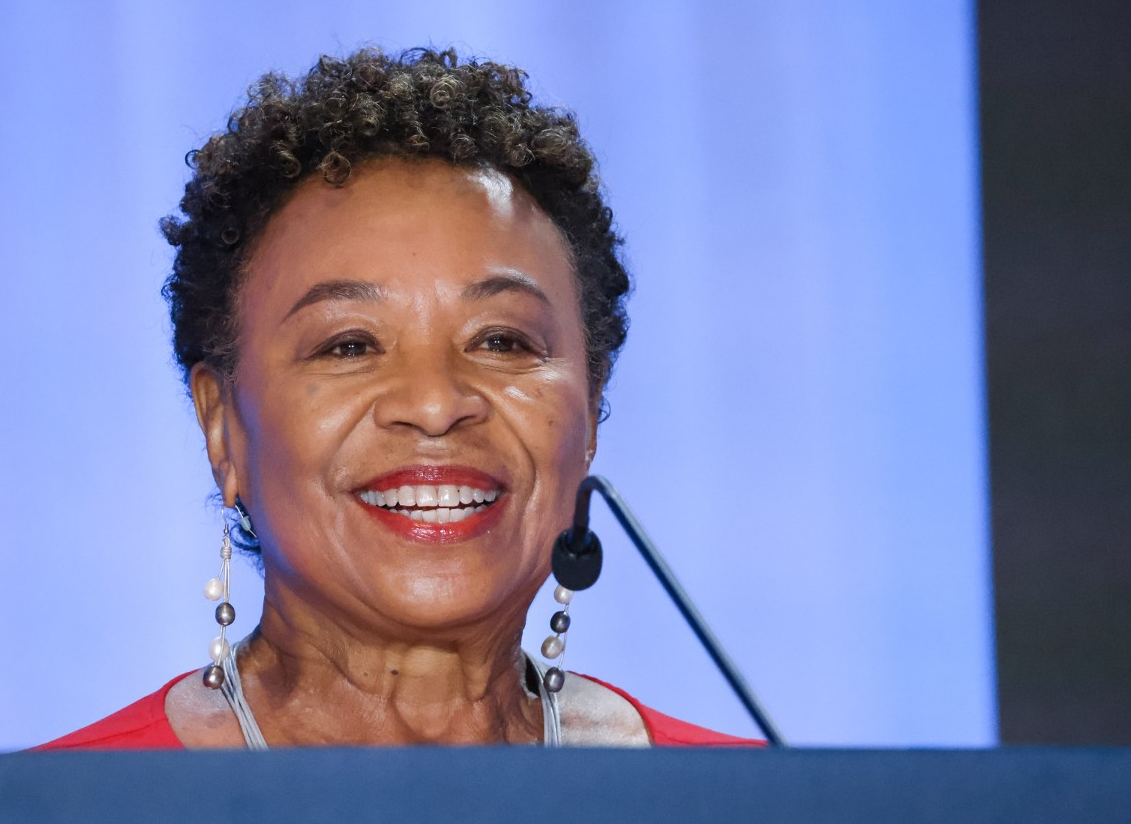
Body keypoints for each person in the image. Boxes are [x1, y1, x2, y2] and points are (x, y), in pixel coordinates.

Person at [40, 47, 760, 749]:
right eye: (349, 345)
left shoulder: (757, 803)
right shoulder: (49, 808)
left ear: (592, 402)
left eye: (502, 341)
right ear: (222, 423)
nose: (437, 403)